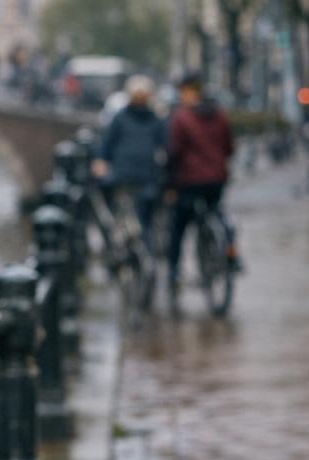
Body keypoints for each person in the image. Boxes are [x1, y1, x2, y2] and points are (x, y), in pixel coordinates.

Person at [164, 71, 238, 299]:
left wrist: (168, 180)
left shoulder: (182, 118)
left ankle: (174, 273)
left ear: (187, 92)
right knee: (218, 213)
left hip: (190, 181)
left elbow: (174, 152)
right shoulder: (220, 115)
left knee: (179, 226)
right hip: (216, 179)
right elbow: (229, 148)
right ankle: (231, 252)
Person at [91, 75, 166, 251]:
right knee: (144, 210)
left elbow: (107, 143)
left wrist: (100, 160)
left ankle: (116, 240)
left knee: (139, 208)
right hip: (140, 174)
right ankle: (134, 241)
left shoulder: (123, 118)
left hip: (130, 173)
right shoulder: (153, 120)